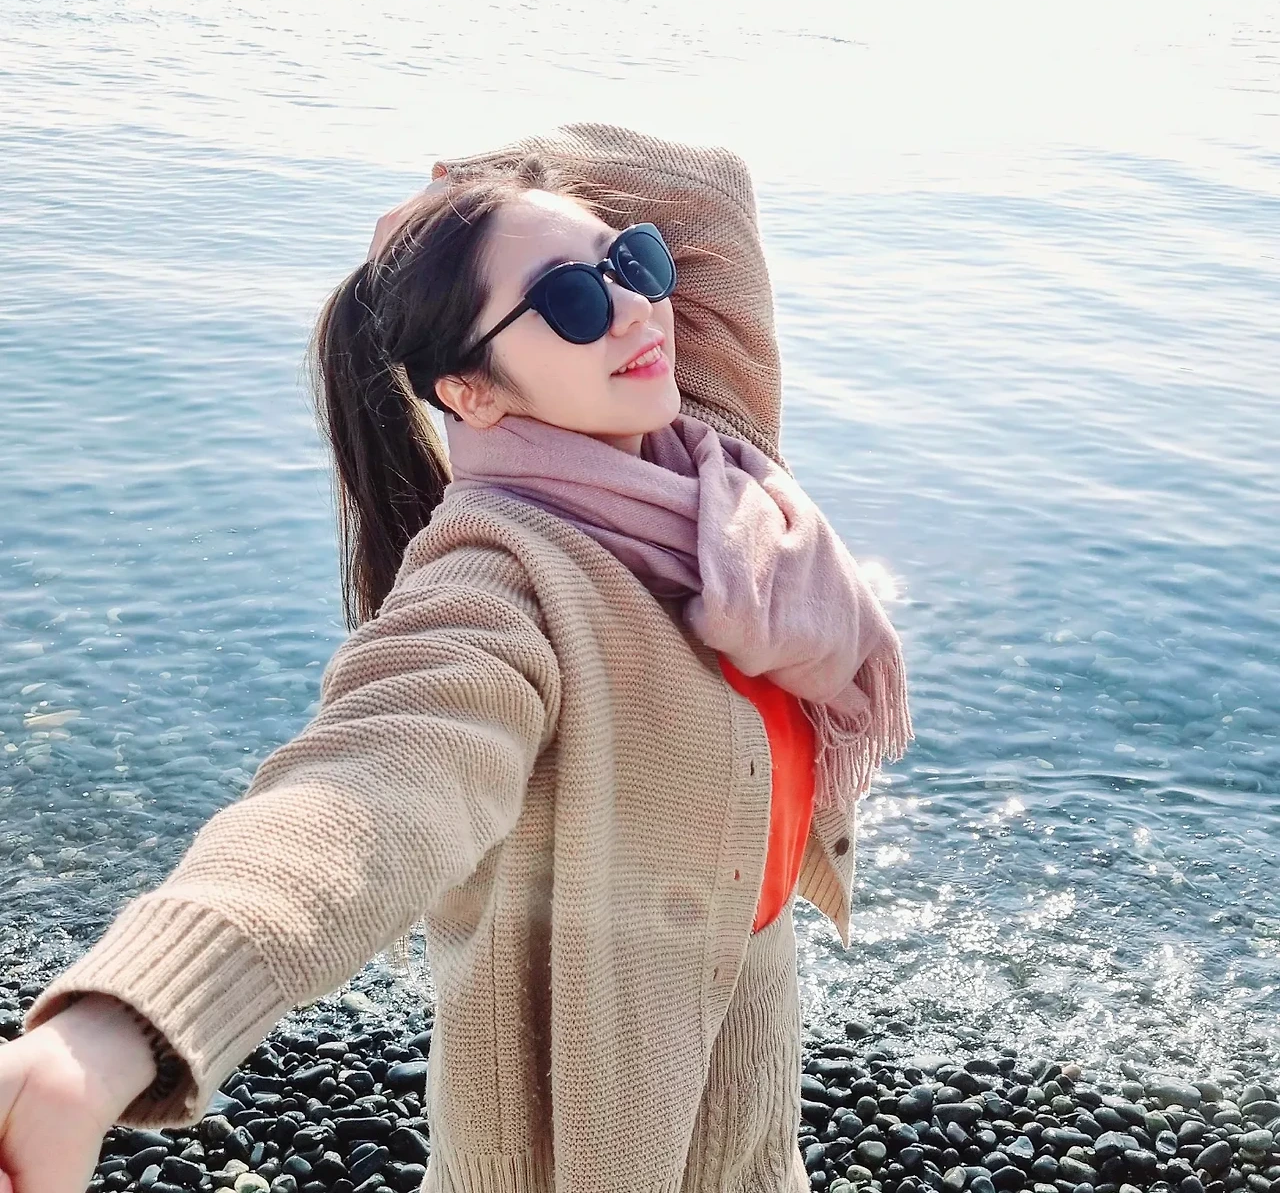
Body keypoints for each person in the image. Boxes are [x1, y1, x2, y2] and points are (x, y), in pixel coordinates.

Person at [0, 121, 913, 1193]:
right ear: (470, 392)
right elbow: (377, 782)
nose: (633, 308)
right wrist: (109, 1034)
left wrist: (469, 185)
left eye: (631, 261)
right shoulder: (500, 576)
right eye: (570, 301)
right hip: (570, 1138)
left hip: (745, 1082)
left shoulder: (713, 460)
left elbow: (708, 189)